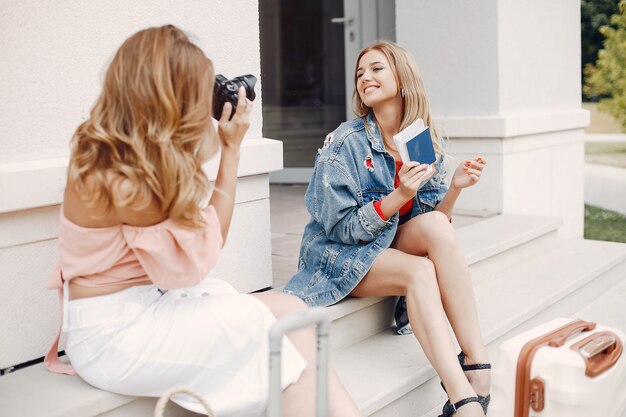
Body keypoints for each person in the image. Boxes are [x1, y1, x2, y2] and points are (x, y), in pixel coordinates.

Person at [44, 25, 361, 417]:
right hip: (114, 334)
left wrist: (222, 146)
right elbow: (195, 261)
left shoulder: (112, 148)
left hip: (147, 304)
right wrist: (230, 151)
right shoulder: (122, 180)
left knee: (294, 311)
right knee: (267, 338)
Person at [283, 40, 490, 417]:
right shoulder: (344, 142)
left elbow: (431, 221)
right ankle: (463, 396)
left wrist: (455, 188)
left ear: (402, 78)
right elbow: (341, 228)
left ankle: (477, 362)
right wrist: (400, 194)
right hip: (339, 255)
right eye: (361, 73)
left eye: (377, 68)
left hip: (386, 243)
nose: (366, 77)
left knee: (438, 229)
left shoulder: (419, 140)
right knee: (420, 270)